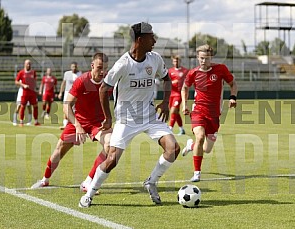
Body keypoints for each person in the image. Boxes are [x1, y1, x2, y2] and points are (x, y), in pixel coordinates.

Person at [79, 22, 180, 208]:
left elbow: (166, 79)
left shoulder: (155, 59)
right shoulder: (122, 64)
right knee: (112, 160)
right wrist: (108, 118)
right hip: (126, 119)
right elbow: (103, 89)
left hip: (150, 116)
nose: (155, 41)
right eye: (152, 37)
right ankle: (89, 194)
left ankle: (151, 182)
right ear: (140, 40)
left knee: (173, 149)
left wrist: (166, 102)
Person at [31, 53, 112, 194]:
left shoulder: (109, 82)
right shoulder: (82, 81)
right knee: (59, 150)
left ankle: (88, 182)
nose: (103, 71)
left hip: (98, 124)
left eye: (105, 68)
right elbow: (66, 105)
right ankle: (45, 179)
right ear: (92, 66)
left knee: (111, 145)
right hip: (78, 121)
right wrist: (78, 126)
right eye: (99, 68)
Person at [181, 44, 238, 182]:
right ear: (197, 57)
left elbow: (233, 84)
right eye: (201, 58)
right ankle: (197, 173)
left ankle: (191, 146)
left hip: (214, 115)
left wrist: (233, 97)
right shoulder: (193, 72)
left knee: (206, 149)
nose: (203, 61)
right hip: (198, 111)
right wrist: (184, 105)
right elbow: (184, 88)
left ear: (211, 57)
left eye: (206, 58)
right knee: (200, 137)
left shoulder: (221, 69)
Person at [14, 59, 40, 126]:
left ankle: (36, 121)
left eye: (30, 64)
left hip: (32, 92)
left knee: (35, 106)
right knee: (22, 106)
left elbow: (35, 81)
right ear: (24, 64)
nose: (29, 65)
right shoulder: (21, 72)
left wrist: (37, 89)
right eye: (27, 64)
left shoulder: (33, 72)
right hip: (24, 92)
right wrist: (23, 85)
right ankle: (21, 121)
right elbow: (16, 81)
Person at [168, 55, 188, 135]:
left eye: (177, 61)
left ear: (180, 61)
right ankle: (181, 129)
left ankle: (170, 128)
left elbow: (189, 81)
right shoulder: (170, 71)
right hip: (171, 94)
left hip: (179, 94)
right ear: (172, 62)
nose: (176, 62)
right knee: (175, 112)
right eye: (175, 61)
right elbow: (166, 83)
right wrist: (172, 83)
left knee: (173, 110)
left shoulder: (185, 71)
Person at [58, 62, 82, 130]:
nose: (73, 68)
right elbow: (63, 83)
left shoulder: (80, 74)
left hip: (76, 93)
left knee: (75, 109)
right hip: (67, 92)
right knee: (66, 107)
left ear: (77, 67)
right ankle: (65, 124)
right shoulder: (67, 73)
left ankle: (74, 123)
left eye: (75, 67)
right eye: (72, 67)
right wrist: (60, 92)